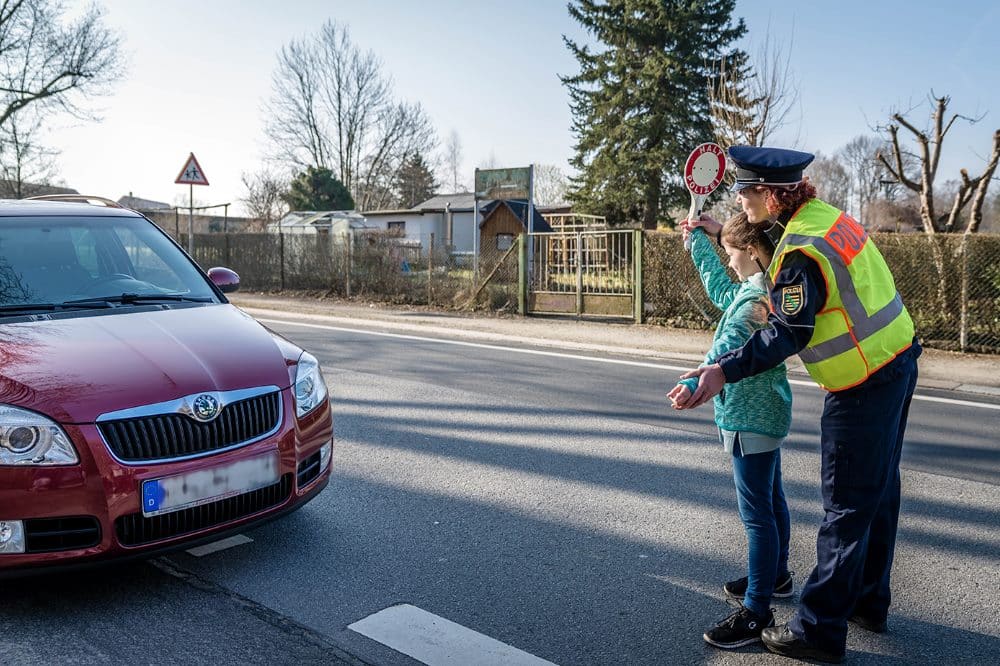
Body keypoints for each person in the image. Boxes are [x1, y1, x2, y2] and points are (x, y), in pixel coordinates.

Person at [675, 145, 921, 664]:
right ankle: (868, 601)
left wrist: (721, 371)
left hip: (864, 382)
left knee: (847, 506)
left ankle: (818, 629)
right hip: (896, 355)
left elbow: (786, 333)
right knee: (879, 492)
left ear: (770, 192)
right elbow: (760, 256)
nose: (739, 198)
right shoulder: (820, 219)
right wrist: (718, 235)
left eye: (745, 191)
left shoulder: (800, 254)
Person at [667, 212, 794, 650]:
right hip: (768, 413)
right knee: (772, 501)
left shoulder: (754, 304)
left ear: (753, 252)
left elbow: (724, 349)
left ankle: (758, 610)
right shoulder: (762, 286)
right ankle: (776, 575)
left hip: (748, 418)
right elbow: (724, 290)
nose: (731, 262)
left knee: (758, 517)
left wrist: (690, 382)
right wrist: (701, 242)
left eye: (733, 254)